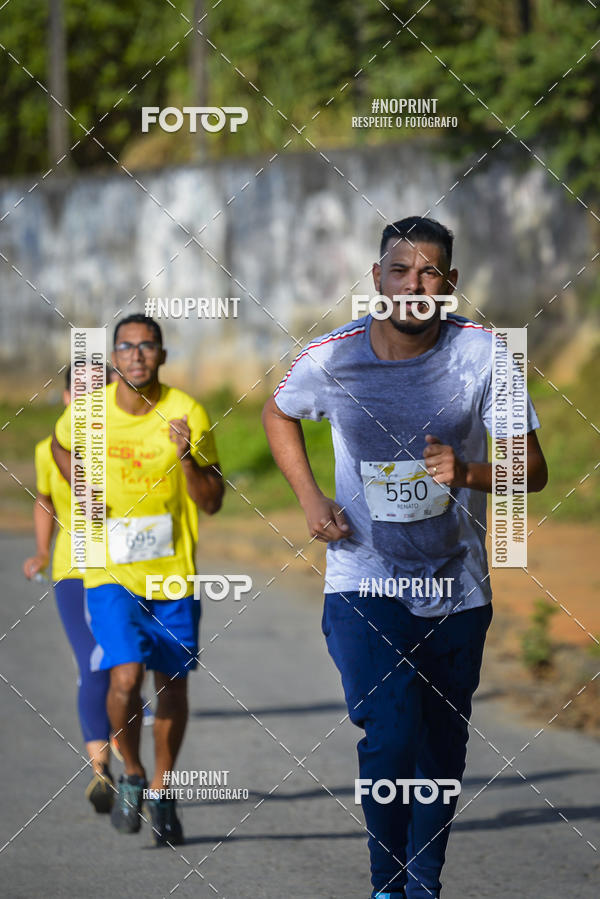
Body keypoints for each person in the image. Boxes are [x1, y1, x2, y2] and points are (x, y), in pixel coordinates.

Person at [262, 216, 548, 899]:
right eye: (400, 271)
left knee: (442, 754)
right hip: (364, 576)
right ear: (377, 280)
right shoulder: (332, 357)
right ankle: (387, 884)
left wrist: (469, 472)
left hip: (457, 586)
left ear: (449, 284)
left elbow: (533, 469)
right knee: (389, 733)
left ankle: (425, 883)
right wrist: (310, 498)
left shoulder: (484, 355)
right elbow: (279, 411)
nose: (414, 286)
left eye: (430, 274)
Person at [51, 313, 224, 846]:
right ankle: (131, 773)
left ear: (162, 356)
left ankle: (164, 788)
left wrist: (186, 456)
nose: (137, 356)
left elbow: (212, 501)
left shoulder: (186, 411)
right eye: (126, 347)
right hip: (108, 574)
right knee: (124, 678)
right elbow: (60, 446)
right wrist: (81, 485)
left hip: (171, 578)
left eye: (148, 346)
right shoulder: (87, 412)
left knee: (171, 684)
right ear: (115, 358)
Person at [23, 365, 114, 813]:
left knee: (128, 666)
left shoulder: (127, 446)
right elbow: (44, 498)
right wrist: (41, 550)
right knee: (94, 663)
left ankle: (134, 765)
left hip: (129, 570)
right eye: (80, 391)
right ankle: (102, 774)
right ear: (63, 399)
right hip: (74, 569)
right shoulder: (48, 450)